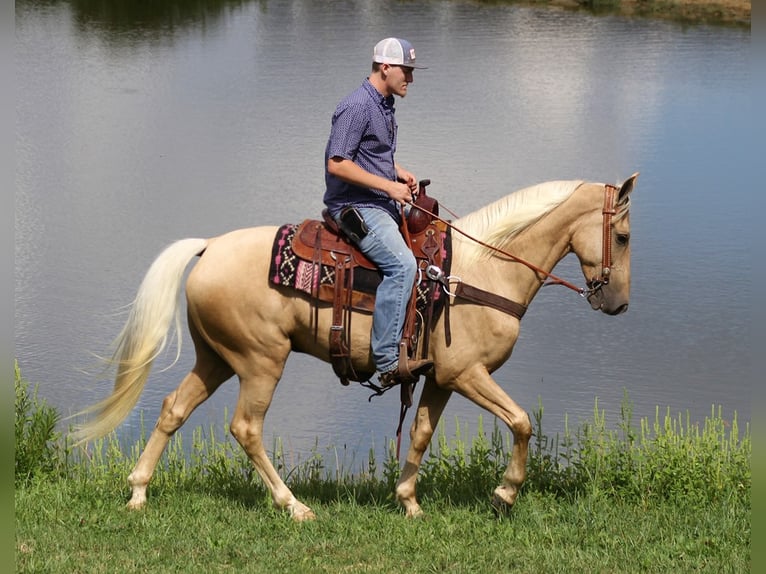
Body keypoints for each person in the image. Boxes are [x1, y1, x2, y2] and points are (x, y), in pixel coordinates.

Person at [323, 37, 433, 389]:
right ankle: (386, 360)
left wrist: (396, 170)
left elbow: (369, 153)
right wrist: (389, 187)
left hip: (377, 201)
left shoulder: (382, 103)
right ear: (385, 67)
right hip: (356, 207)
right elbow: (338, 163)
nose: (410, 80)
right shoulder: (356, 106)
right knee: (403, 266)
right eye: (407, 71)